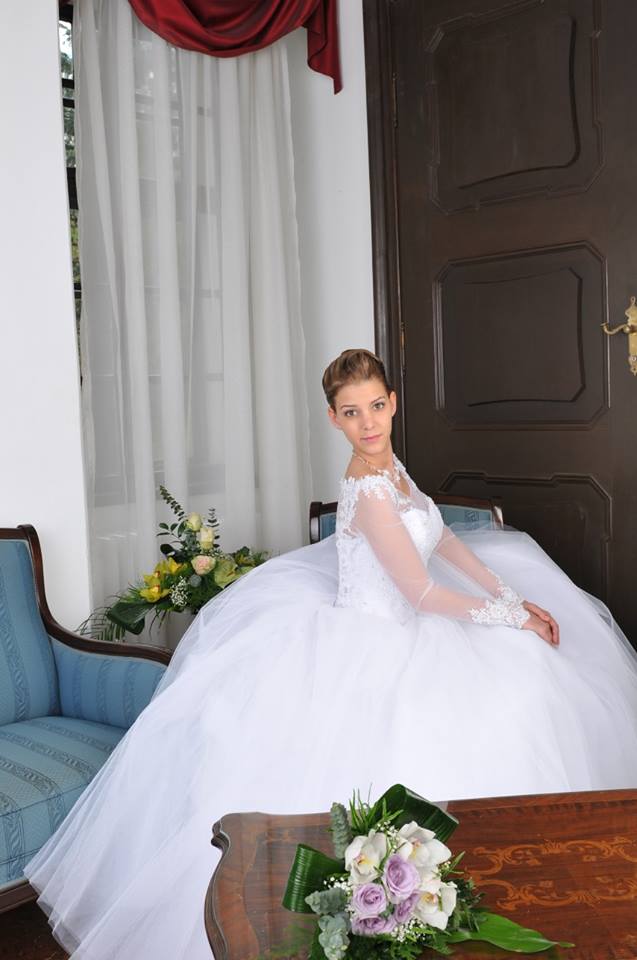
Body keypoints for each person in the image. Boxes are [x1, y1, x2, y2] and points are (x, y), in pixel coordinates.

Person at [25, 349, 637, 959]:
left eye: (375, 406)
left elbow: (442, 535)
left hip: (412, 626)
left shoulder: (391, 466)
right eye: (351, 412)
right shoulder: (368, 488)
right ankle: (413, 911)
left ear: (392, 404)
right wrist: (510, 617)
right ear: (333, 418)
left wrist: (508, 593)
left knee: (525, 689)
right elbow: (421, 594)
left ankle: (512, 885)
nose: (367, 423)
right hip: (372, 638)